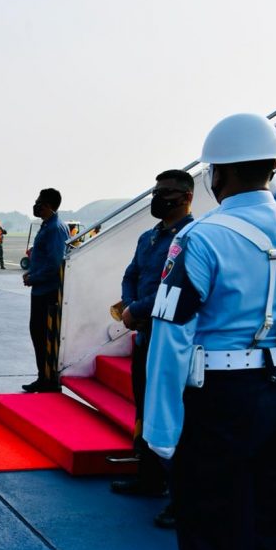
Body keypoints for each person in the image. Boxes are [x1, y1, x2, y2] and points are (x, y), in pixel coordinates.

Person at [144, 113, 276, 550]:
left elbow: (171, 337)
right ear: (272, 168)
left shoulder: (199, 238)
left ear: (217, 174)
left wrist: (161, 434)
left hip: (222, 402)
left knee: (212, 529)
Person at [110, 170, 195, 530]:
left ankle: (183, 499)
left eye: (166, 192)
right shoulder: (148, 238)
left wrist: (137, 310)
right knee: (144, 407)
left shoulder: (192, 238)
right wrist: (130, 307)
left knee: (176, 420)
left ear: (186, 196)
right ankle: (149, 478)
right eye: (156, 191)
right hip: (145, 337)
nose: (158, 198)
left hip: (171, 341)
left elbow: (174, 288)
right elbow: (131, 275)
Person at [21, 188, 70, 392]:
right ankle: (44, 376)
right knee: (38, 333)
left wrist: (34, 277)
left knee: (43, 335)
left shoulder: (55, 228)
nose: (36, 205)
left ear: (48, 205)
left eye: (39, 202)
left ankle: (48, 379)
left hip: (47, 291)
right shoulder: (48, 226)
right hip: (41, 290)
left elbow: (55, 263)